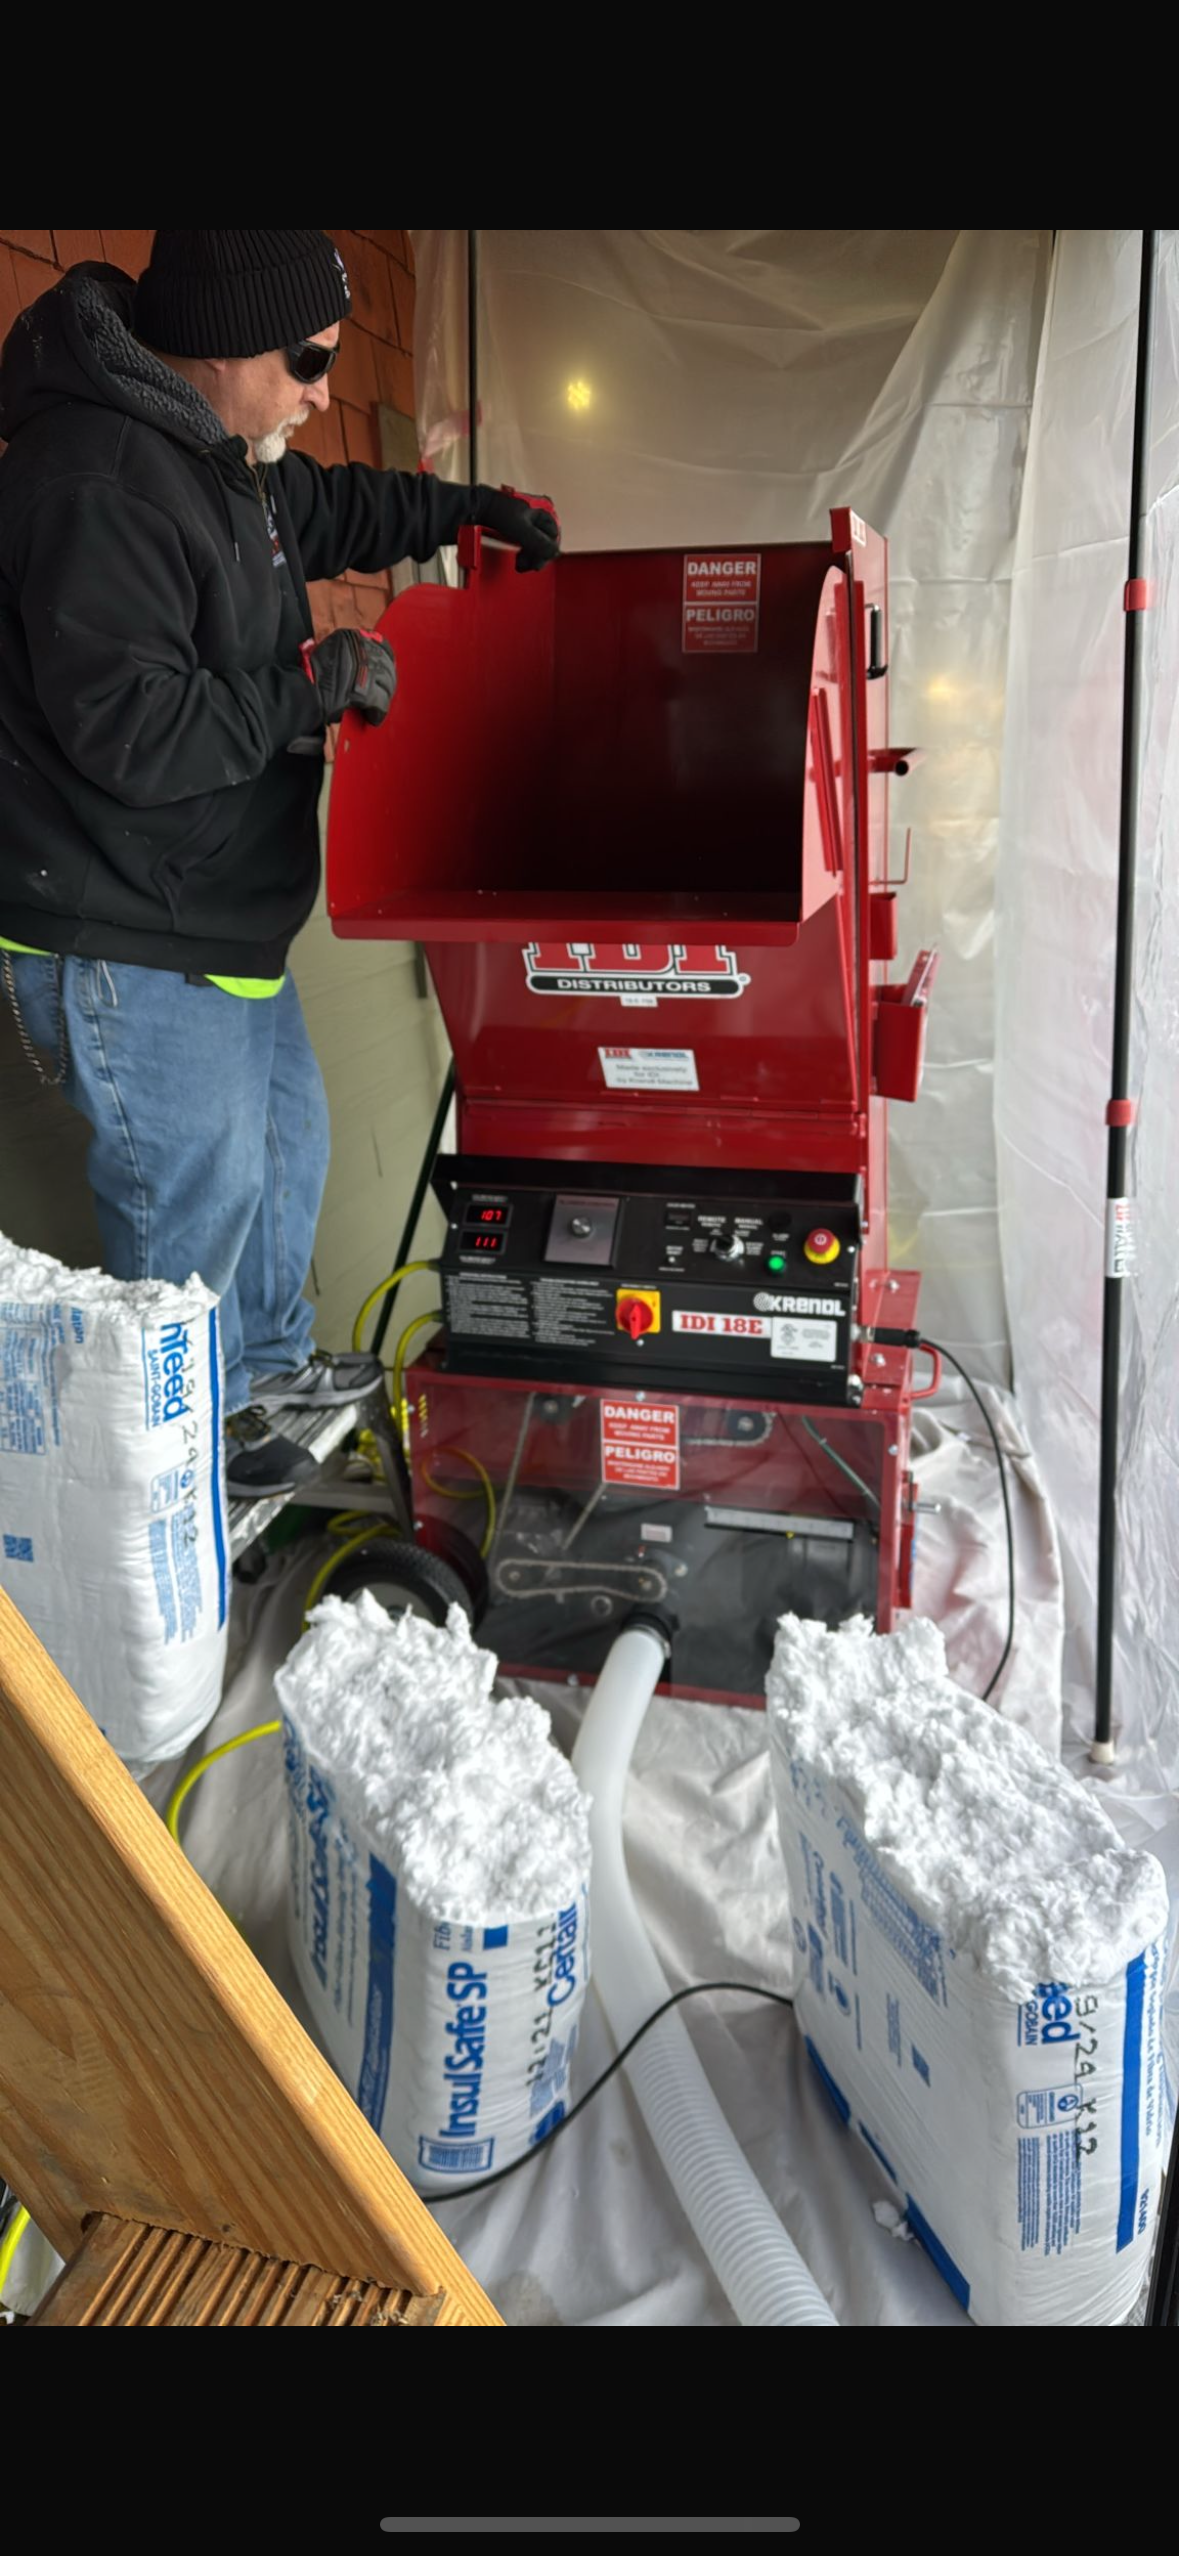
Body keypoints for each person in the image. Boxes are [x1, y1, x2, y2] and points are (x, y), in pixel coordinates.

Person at [0, 230, 559, 1493]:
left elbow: (331, 507)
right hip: (130, 933)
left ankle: (254, 1389)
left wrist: (470, 508)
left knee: (283, 1167)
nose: (321, 388)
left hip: (220, 919)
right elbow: (131, 730)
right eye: (307, 362)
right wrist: (309, 685)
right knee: (188, 1234)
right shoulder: (97, 480)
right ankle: (178, 1496)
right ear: (218, 345)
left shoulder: (217, 455)